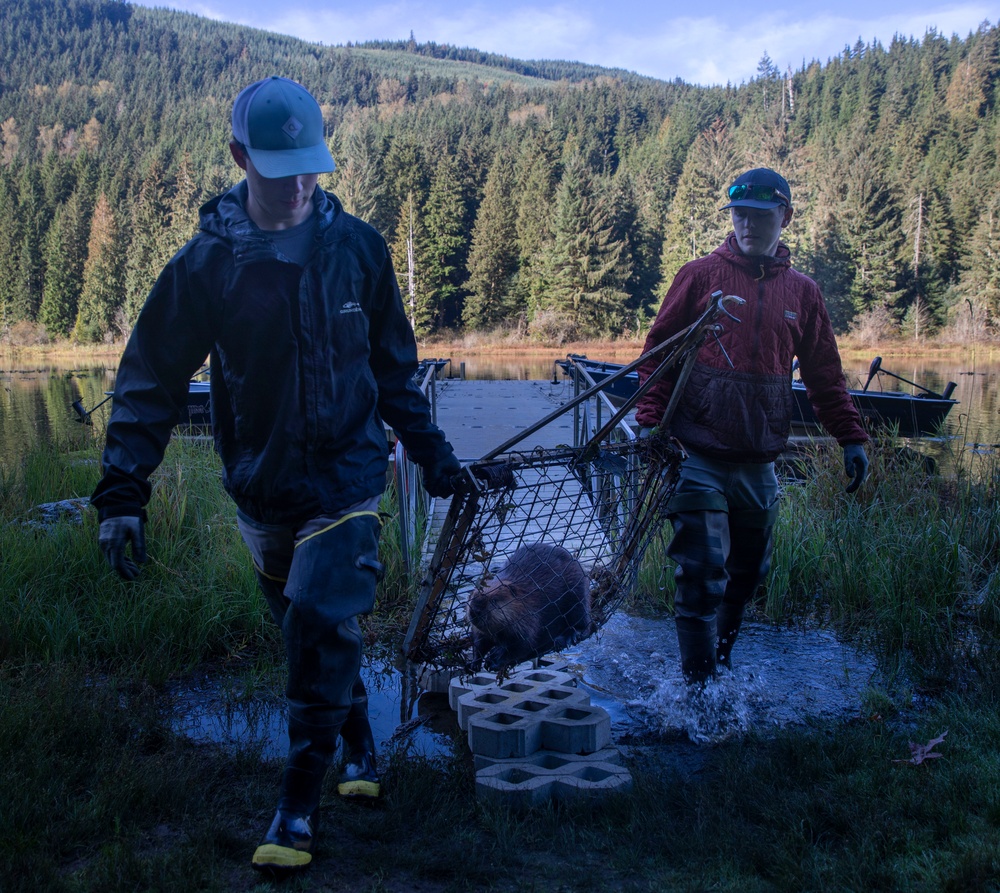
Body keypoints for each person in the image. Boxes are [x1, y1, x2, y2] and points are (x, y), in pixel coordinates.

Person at [90, 76, 461, 874]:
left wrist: (433, 454)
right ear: (238, 158)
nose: (300, 184)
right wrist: (122, 493)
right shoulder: (206, 267)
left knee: (321, 618)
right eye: (282, 166)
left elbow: (396, 370)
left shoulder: (358, 248)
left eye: (313, 165)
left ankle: (296, 802)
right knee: (306, 631)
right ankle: (358, 737)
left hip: (351, 475)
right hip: (261, 484)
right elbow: (150, 377)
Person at [634, 167, 869, 684]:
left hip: (759, 459)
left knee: (747, 575)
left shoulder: (803, 294)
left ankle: (720, 663)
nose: (747, 225)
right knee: (700, 571)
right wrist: (651, 426)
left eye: (760, 216)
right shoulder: (699, 276)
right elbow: (656, 358)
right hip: (695, 452)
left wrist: (850, 436)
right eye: (739, 214)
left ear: (784, 217)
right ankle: (701, 689)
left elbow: (825, 374)